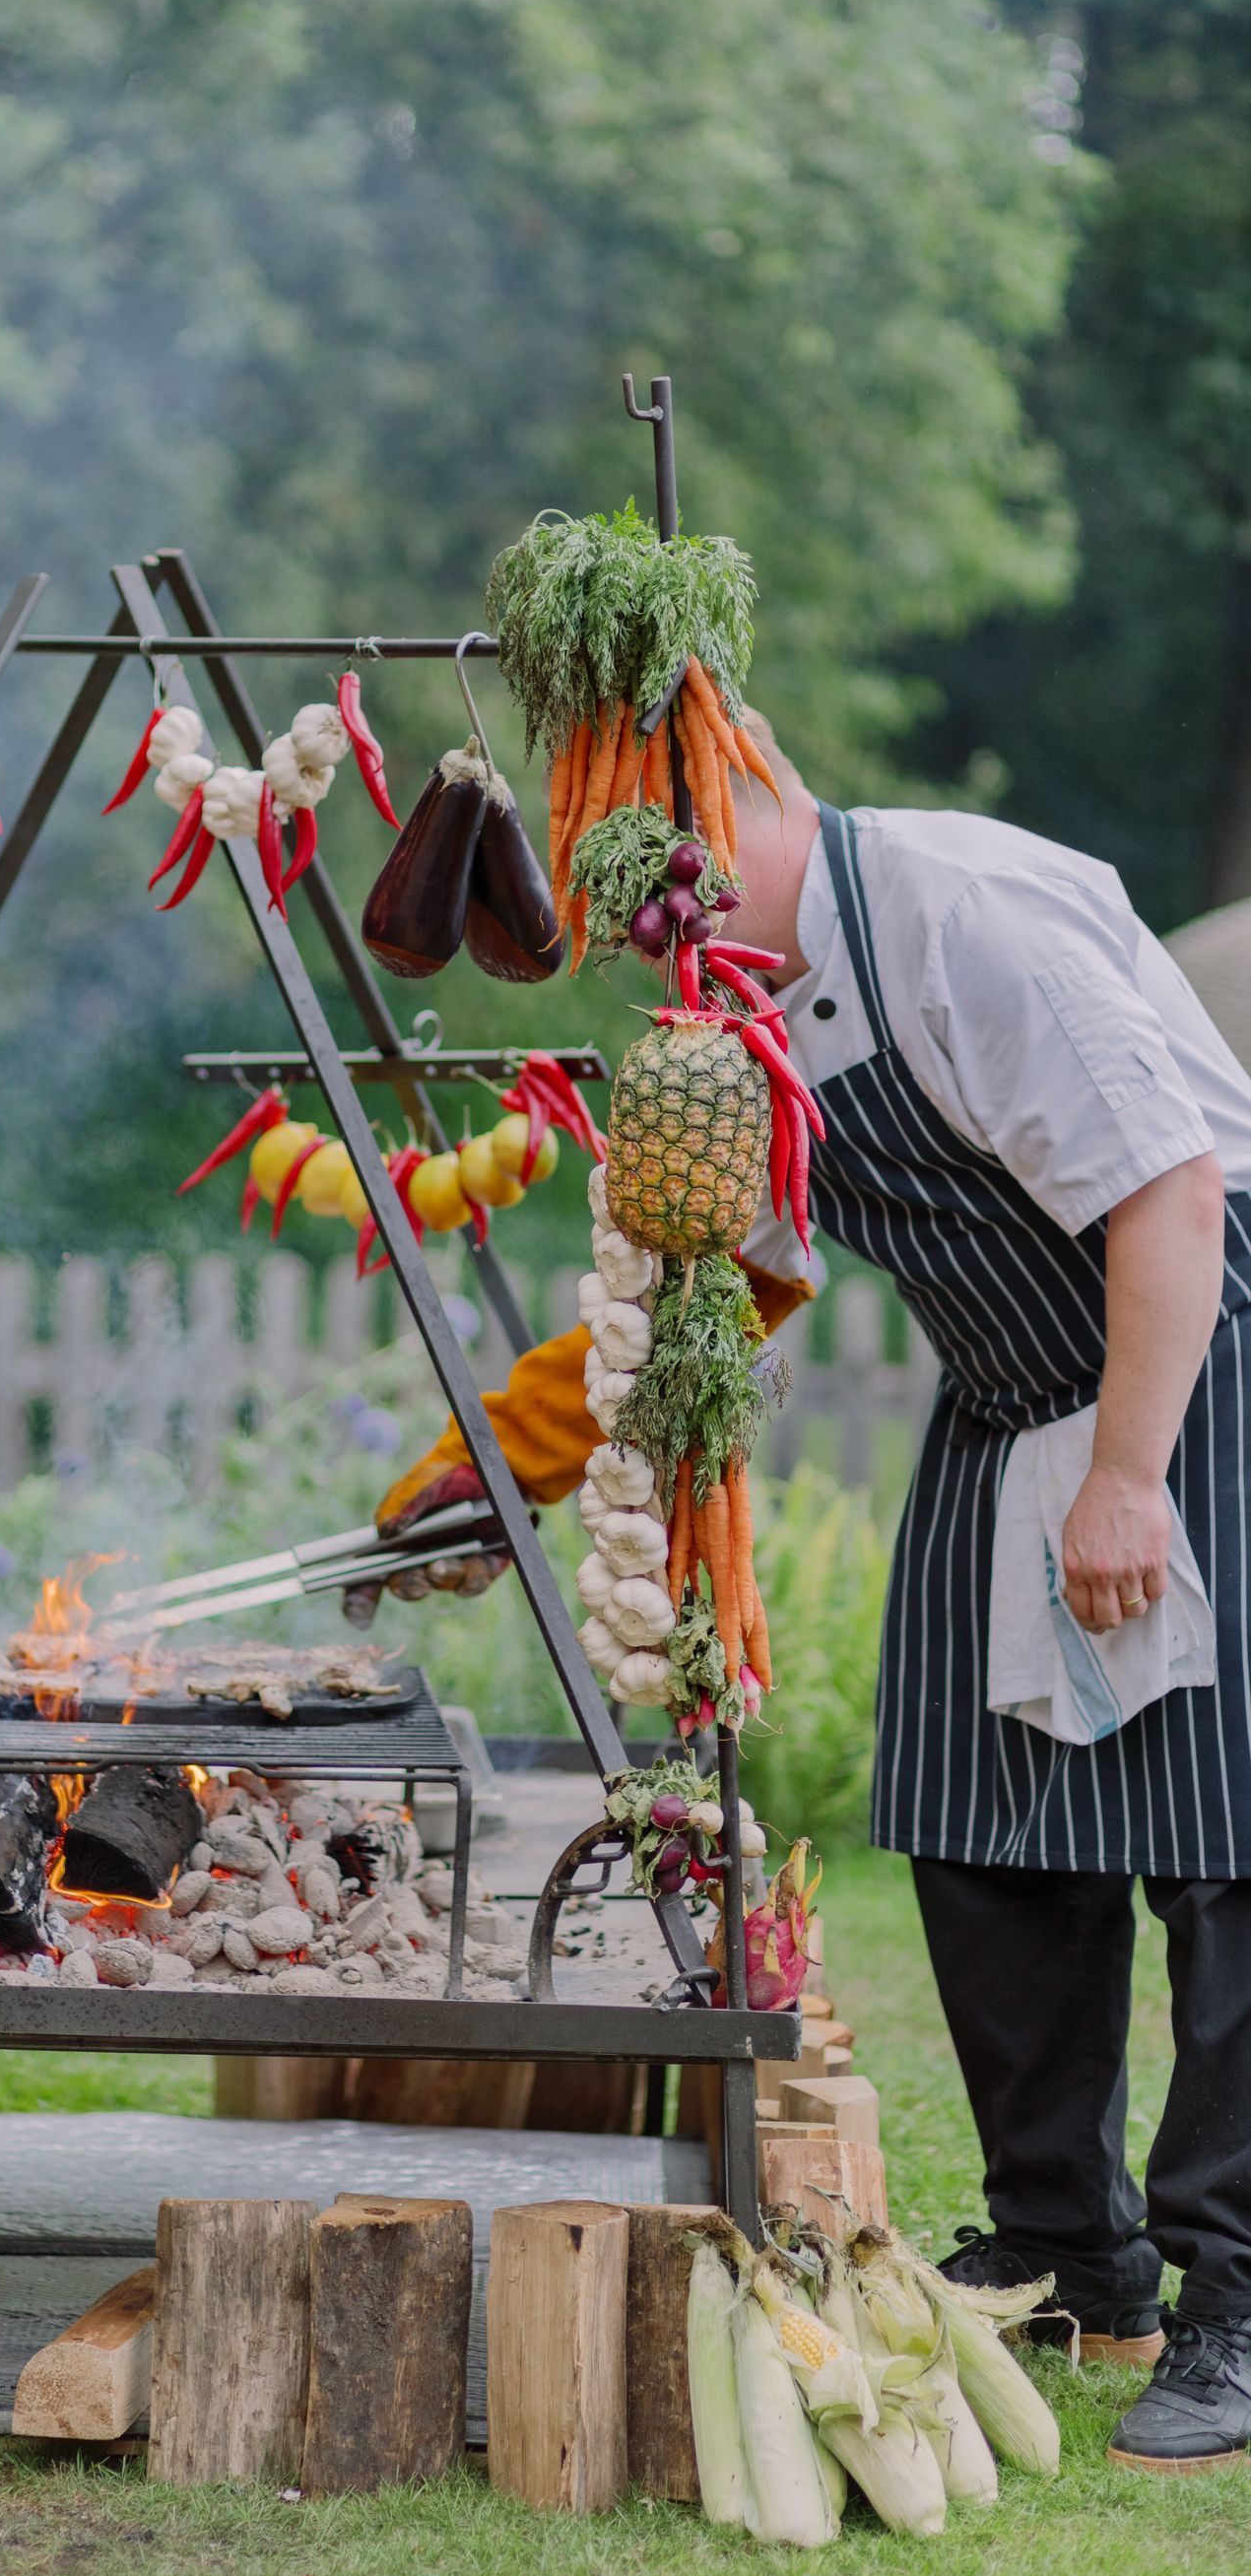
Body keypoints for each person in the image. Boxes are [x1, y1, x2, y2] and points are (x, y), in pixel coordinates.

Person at [347, 713, 1251, 2471]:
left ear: (736, 814)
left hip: (1198, 1363)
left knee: (1227, 1860)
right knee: (982, 1834)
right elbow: (734, 1278)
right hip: (1009, 1403)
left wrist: (1135, 1471)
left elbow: (1173, 1192)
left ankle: (1243, 2304)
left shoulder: (955, 912)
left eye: (659, 893)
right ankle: (1075, 2252)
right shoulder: (737, 1010)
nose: (649, 946)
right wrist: (505, 1465)